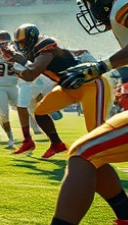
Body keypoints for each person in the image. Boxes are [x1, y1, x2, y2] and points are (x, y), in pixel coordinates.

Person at [0, 0, 128, 225]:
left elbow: (31, 73)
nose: (91, 8)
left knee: (86, 152)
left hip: (91, 85)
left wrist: (102, 66)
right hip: (75, 87)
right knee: (89, 151)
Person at [7, 23, 111, 159]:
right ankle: (56, 144)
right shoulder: (37, 51)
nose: (21, 47)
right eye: (19, 44)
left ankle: (110, 151)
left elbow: (31, 74)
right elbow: (32, 64)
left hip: (91, 85)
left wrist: (15, 68)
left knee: (95, 127)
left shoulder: (45, 47)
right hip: (68, 88)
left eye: (23, 43)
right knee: (40, 112)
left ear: (32, 40)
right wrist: (17, 58)